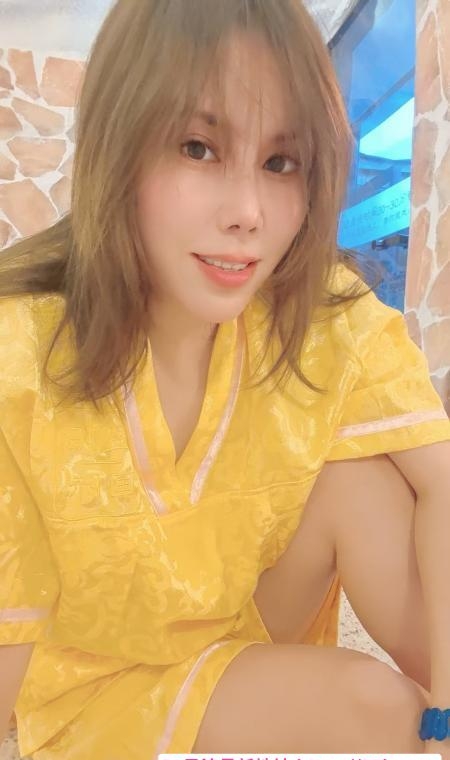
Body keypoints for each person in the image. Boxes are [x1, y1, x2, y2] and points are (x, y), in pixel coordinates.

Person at [1, 0, 450, 756]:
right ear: (118, 145)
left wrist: (446, 710)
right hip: (102, 687)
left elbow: (441, 481)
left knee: (363, 478)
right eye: (198, 147)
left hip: (239, 620)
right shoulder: (21, 352)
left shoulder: (318, 315)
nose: (247, 213)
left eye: (280, 163)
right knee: (378, 708)